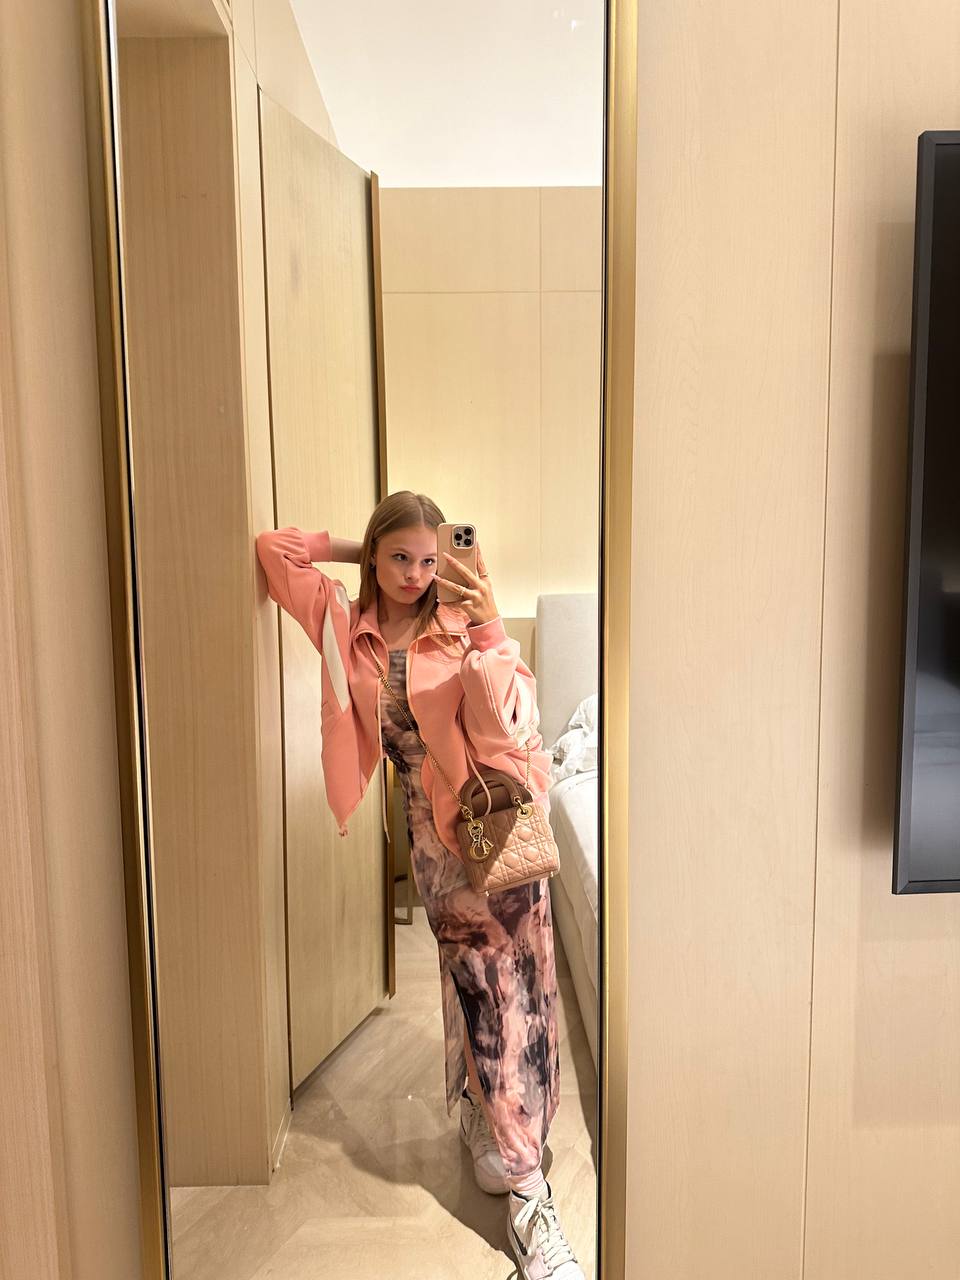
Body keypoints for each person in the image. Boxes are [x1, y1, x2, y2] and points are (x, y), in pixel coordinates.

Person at [256, 490, 584, 1279]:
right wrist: (355, 548)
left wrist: (489, 626)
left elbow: (513, 723)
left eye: (429, 559)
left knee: (520, 996)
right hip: (437, 848)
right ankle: (497, 1136)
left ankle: (528, 1194)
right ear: (376, 555)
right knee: (481, 995)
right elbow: (274, 551)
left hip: (496, 825)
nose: (414, 574)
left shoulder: (462, 619)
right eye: (399, 557)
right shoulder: (348, 624)